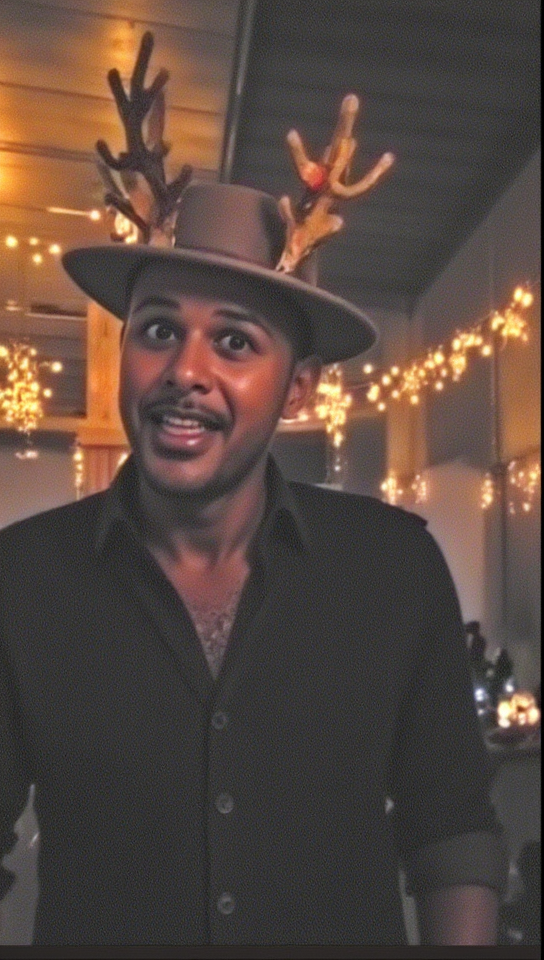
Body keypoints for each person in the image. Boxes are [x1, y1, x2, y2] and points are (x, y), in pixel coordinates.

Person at [0, 177, 506, 946]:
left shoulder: (395, 569)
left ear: (297, 389)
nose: (185, 372)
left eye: (234, 342)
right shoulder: (20, 579)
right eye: (158, 330)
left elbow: (453, 835)